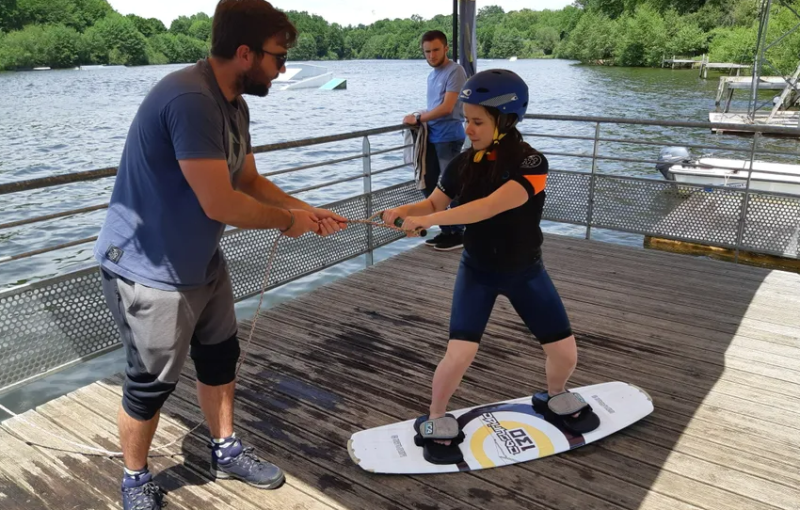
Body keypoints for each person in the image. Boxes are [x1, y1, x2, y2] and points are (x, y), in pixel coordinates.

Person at [93, 1, 346, 508]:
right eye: (277, 57)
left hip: (202, 261)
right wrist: (285, 222)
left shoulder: (235, 102)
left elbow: (247, 179)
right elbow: (220, 201)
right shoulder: (190, 99)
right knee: (148, 385)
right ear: (245, 53)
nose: (281, 68)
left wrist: (305, 208)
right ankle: (136, 479)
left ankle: (224, 449)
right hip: (151, 269)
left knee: (219, 358)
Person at [383, 69, 599, 465]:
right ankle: (435, 417)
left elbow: (489, 206)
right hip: (477, 271)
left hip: (525, 272)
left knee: (566, 354)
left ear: (506, 119)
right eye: (466, 119)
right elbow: (434, 204)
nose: (468, 129)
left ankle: (555, 393)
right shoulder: (462, 163)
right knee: (459, 355)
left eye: (477, 121)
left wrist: (428, 222)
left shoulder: (532, 162)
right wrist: (403, 211)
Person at [402, 30, 466, 252]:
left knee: (452, 187)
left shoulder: (455, 71)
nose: (431, 55)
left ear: (446, 48)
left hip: (449, 138)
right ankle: (446, 228)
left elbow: (447, 107)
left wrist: (418, 118)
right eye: (427, 51)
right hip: (431, 137)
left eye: (436, 50)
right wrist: (420, 119)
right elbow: (435, 107)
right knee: (427, 184)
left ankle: (458, 232)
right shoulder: (432, 75)